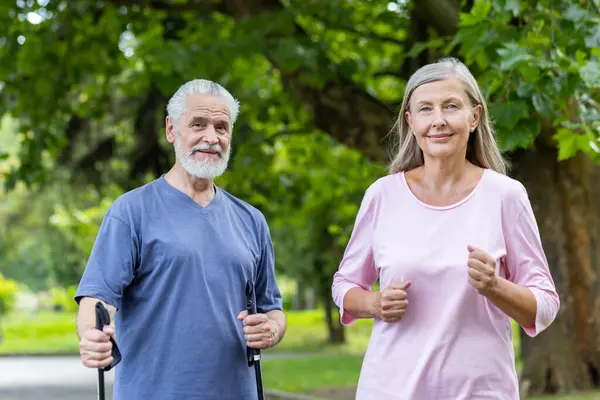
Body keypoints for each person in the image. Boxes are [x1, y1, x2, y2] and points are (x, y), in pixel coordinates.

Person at [331, 57, 559, 399]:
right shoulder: (383, 195)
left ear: (474, 116)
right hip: (392, 389)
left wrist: (495, 286)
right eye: (425, 109)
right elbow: (345, 284)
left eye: (451, 106)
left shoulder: (505, 196)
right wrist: (375, 304)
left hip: (480, 391)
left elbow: (545, 303)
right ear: (410, 121)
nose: (438, 121)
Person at [74, 79, 286, 400]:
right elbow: (98, 298)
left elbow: (273, 309)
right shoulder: (131, 212)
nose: (211, 137)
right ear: (171, 130)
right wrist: (92, 336)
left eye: (222, 127)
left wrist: (272, 328)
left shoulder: (250, 220)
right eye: (198, 124)